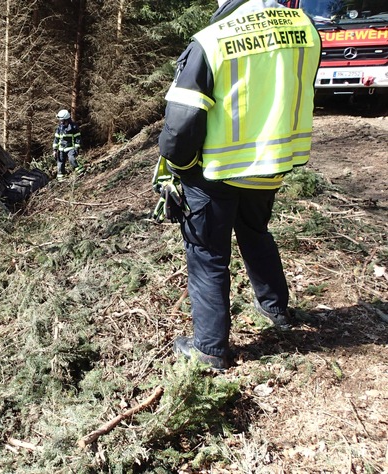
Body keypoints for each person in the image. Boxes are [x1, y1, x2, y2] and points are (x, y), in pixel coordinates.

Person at [157, 0, 321, 370]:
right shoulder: (306, 28)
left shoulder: (211, 42)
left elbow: (180, 126)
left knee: (207, 255)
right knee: (256, 232)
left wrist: (180, 166)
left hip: (216, 173)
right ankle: (276, 310)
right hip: (271, 165)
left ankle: (210, 350)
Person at [52, 109, 83, 181]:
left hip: (71, 148)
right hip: (61, 149)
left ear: (67, 119)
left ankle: (80, 171)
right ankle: (61, 178)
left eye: (62, 120)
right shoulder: (59, 128)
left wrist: (76, 148)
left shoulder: (74, 127)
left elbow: (77, 138)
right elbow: (56, 139)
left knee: (71, 159)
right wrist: (54, 150)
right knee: (60, 163)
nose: (61, 122)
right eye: (60, 120)